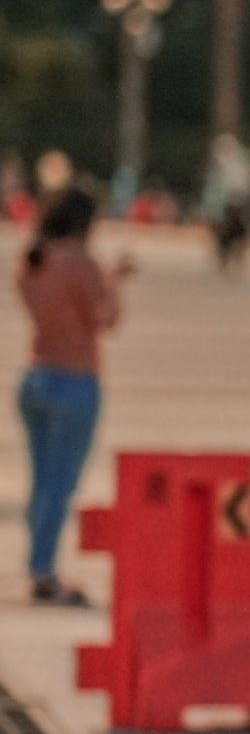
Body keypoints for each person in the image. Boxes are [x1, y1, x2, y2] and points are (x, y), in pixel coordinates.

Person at [14, 186, 133, 604]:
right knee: (59, 485)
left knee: (42, 482)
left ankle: (38, 564)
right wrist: (115, 282)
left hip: (35, 376)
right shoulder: (80, 262)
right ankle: (43, 572)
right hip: (74, 380)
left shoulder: (33, 260)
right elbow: (105, 318)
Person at [201, 134, 250, 272]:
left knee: (240, 229)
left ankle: (235, 252)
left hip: (238, 202)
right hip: (227, 204)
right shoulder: (218, 165)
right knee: (224, 232)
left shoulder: (242, 161)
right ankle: (226, 255)